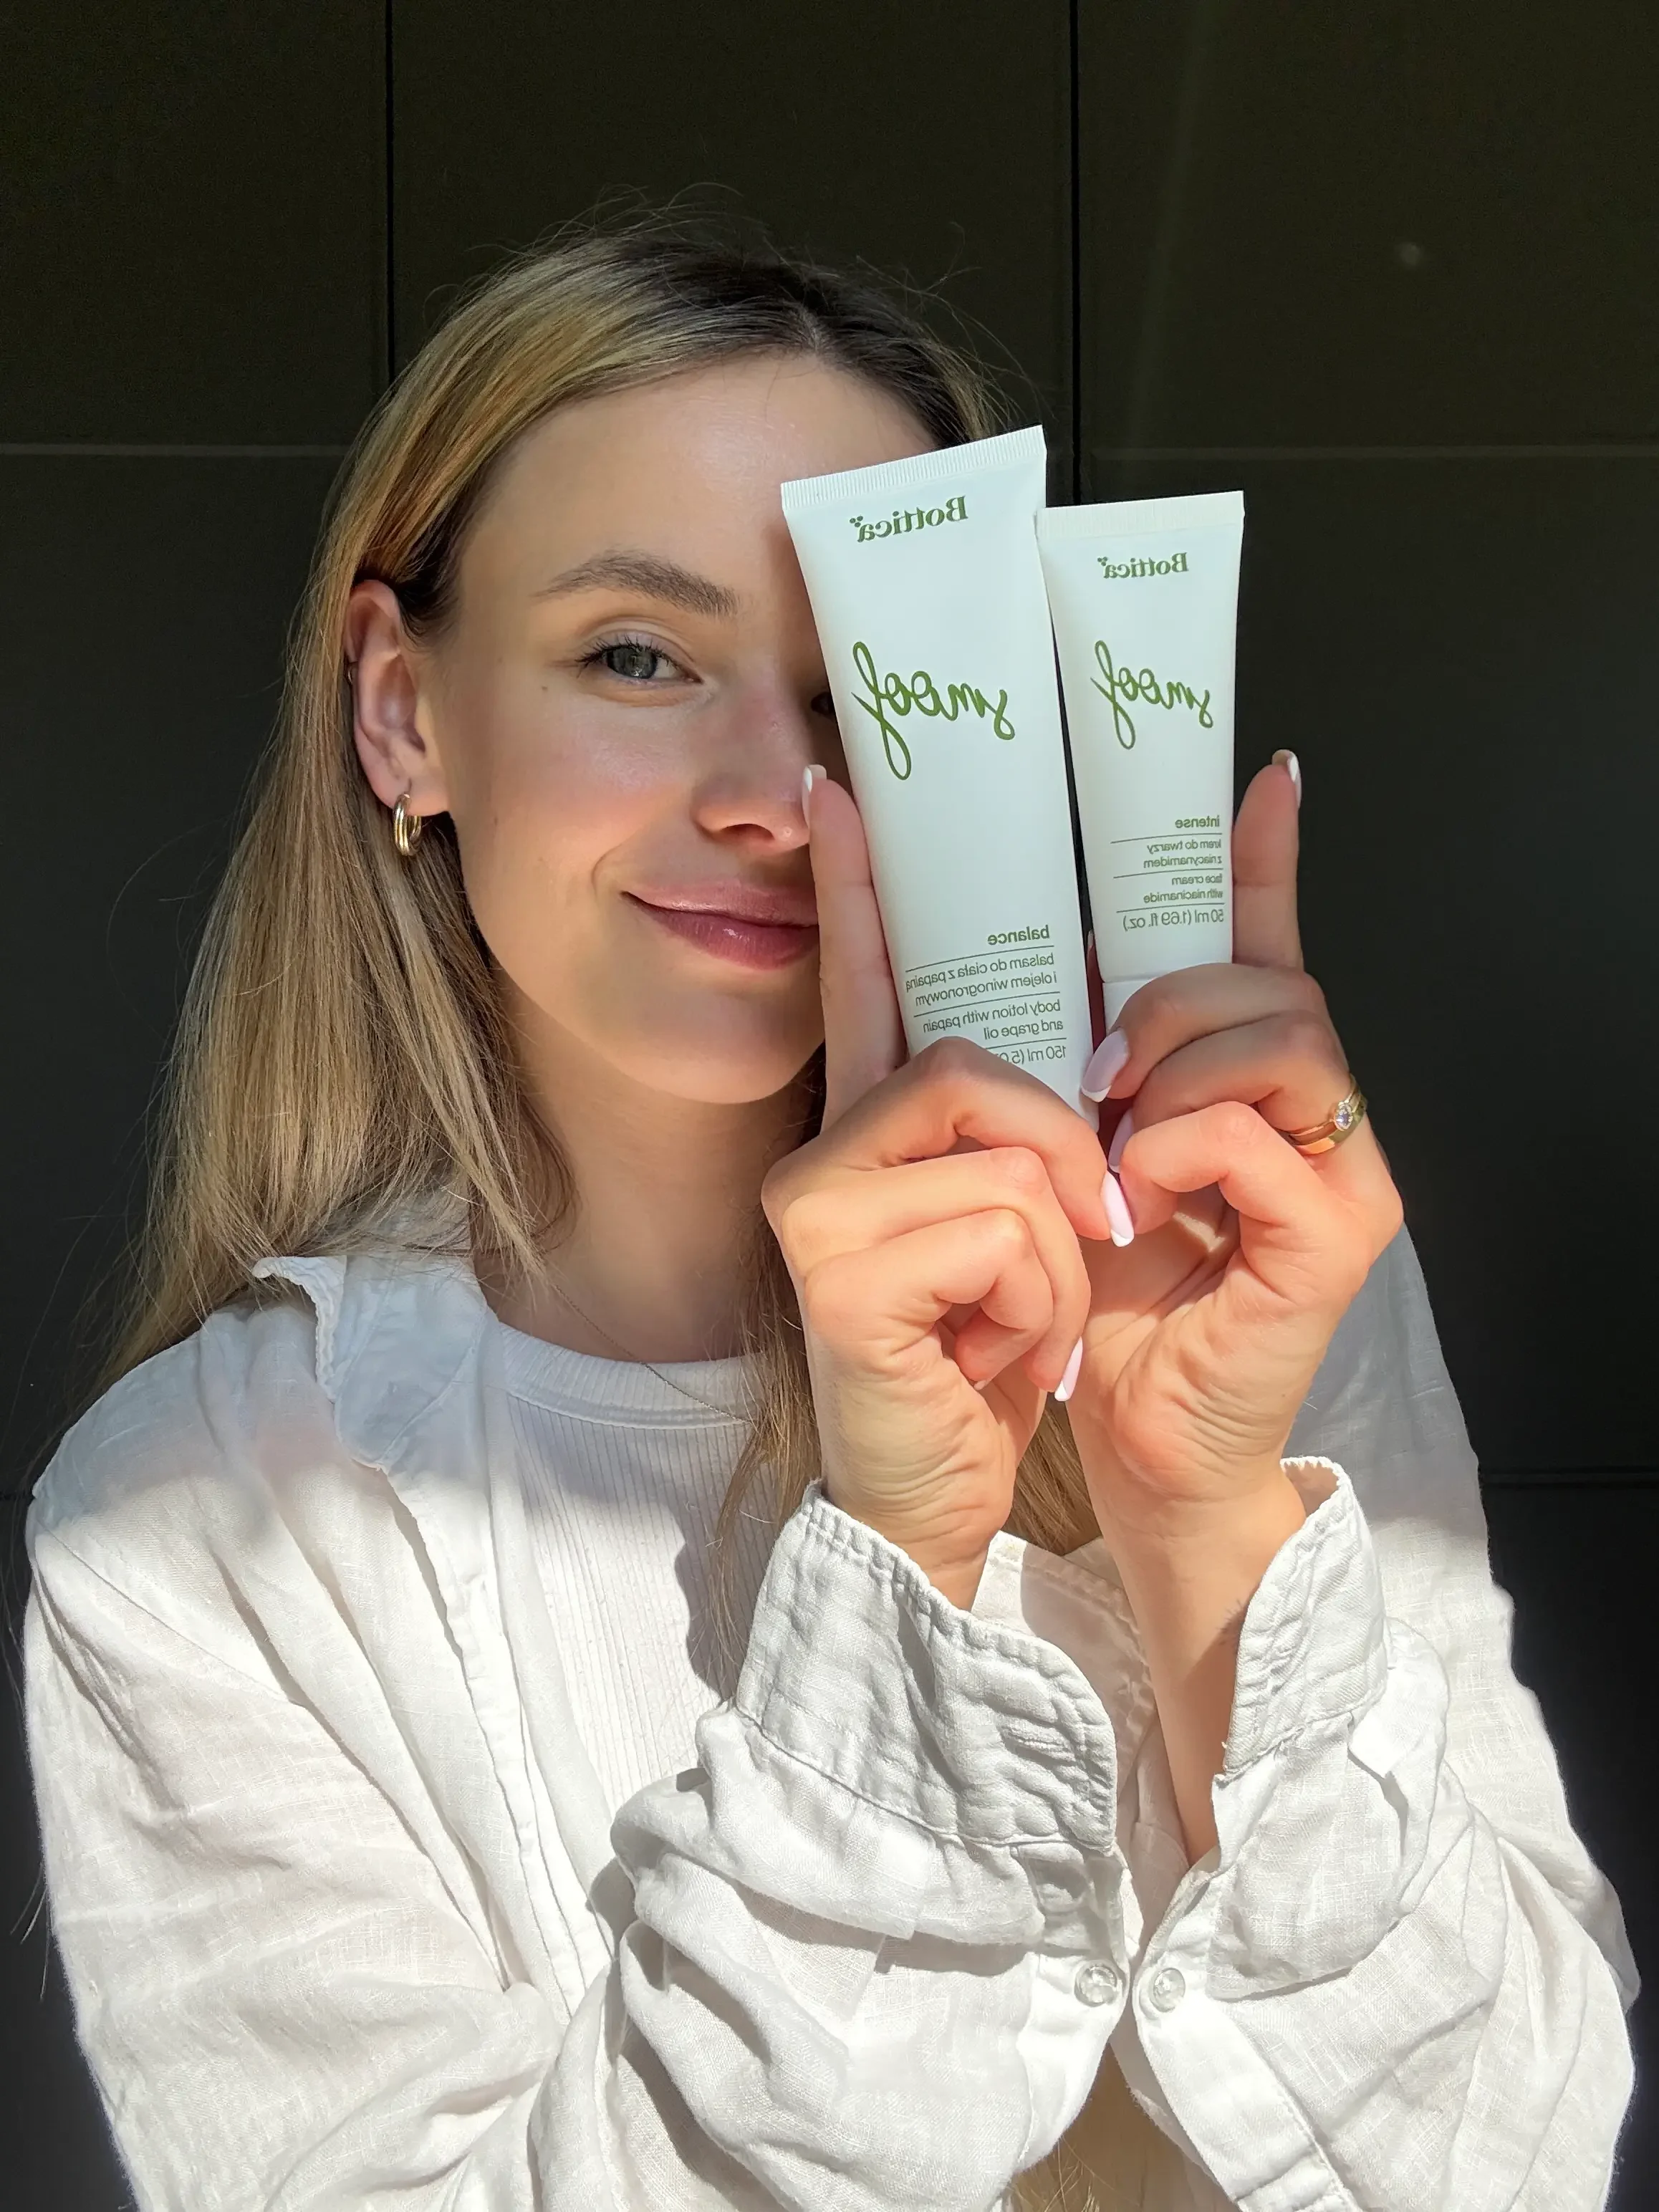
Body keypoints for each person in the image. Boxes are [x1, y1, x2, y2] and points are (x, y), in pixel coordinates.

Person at [22, 221, 1636, 2212]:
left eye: (872, 686)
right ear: (401, 711)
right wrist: (892, 1550)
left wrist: (1207, 1514)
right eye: (636, 654)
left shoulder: (1240, 1278)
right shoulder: (202, 1514)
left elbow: (1526, 2164)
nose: (772, 796)